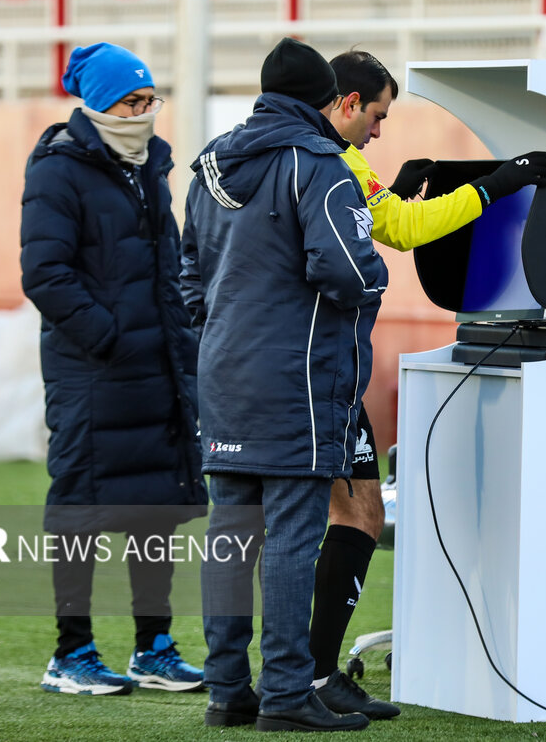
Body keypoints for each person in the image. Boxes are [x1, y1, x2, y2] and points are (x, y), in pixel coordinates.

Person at [302, 48, 546, 719]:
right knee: (329, 515)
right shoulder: (324, 162)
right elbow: (408, 231)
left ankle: (308, 672)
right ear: (349, 104)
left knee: (353, 512)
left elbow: (391, 223)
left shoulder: (340, 162)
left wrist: (392, 188)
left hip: (325, 367)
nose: (381, 130)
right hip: (312, 369)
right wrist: (498, 186)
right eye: (379, 116)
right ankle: (303, 676)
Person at [180, 37, 385, 733]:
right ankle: (289, 691)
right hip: (297, 377)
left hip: (225, 373)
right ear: (324, 99)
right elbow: (348, 270)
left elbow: (189, 278)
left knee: (231, 537)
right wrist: (377, 275)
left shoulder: (209, 164)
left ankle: (226, 689)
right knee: (295, 536)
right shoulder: (319, 164)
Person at [20, 42, 207, 696]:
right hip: (93, 373)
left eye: (150, 99)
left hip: (156, 370)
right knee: (78, 509)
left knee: (153, 509)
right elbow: (44, 273)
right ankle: (71, 652)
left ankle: (153, 645)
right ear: (99, 103)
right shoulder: (57, 170)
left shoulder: (149, 168)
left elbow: (168, 264)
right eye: (133, 101)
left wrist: (177, 341)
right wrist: (111, 337)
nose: (144, 111)